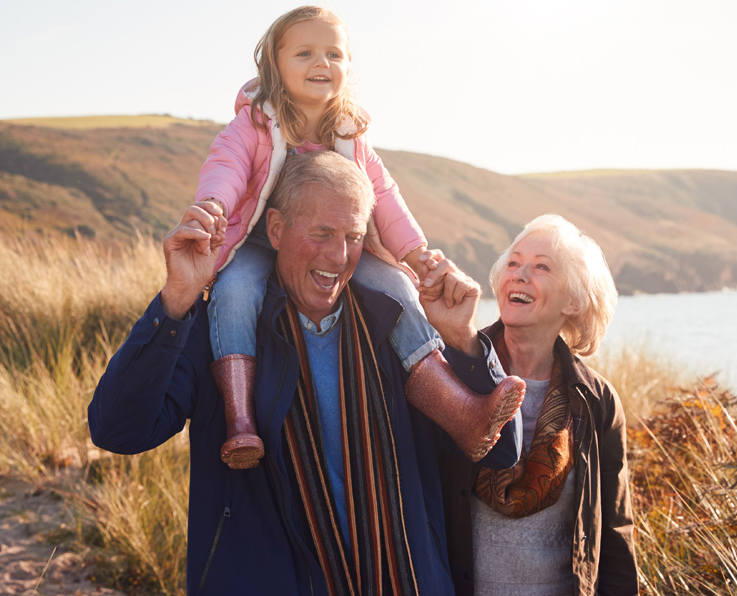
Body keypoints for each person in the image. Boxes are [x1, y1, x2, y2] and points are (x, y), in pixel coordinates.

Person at [89, 151, 522, 596]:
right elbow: (117, 430)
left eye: (354, 236)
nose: (338, 255)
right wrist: (177, 298)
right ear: (275, 229)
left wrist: (465, 342)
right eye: (322, 233)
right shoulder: (221, 333)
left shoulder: (398, 329)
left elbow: (500, 451)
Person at [192, 5, 524, 469]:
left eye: (334, 54)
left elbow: (383, 195)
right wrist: (213, 207)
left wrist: (414, 251)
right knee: (234, 292)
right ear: (274, 62)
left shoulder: (351, 135)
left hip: (338, 244)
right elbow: (225, 167)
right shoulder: (255, 123)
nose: (321, 63)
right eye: (304, 52)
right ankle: (241, 420)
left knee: (398, 287)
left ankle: (461, 411)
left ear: (348, 67)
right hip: (259, 240)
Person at [434, 215, 639, 596]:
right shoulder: (453, 371)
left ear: (574, 299)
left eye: (542, 267)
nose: (520, 274)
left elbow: (615, 531)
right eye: (513, 263)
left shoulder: (597, 401)